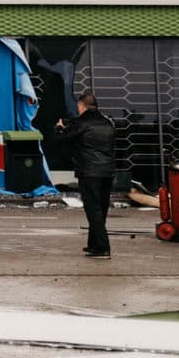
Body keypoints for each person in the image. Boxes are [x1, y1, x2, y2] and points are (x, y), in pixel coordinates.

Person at [56, 91, 117, 258]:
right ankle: (94, 245)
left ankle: (103, 248)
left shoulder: (81, 122)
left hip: (89, 172)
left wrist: (59, 128)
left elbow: (62, 140)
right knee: (101, 210)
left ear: (81, 105)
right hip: (108, 172)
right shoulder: (108, 123)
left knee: (92, 210)